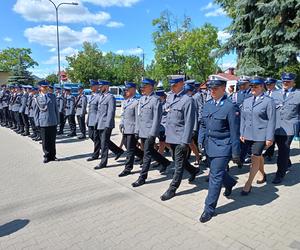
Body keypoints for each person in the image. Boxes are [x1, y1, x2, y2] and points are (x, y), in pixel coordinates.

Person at [198, 79, 241, 223]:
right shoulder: (208, 105)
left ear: (223, 89)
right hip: (210, 145)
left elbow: (235, 132)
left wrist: (236, 152)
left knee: (214, 176)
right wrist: (200, 141)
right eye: (211, 89)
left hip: (223, 146)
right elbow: (203, 125)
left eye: (215, 89)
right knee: (218, 172)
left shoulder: (230, 107)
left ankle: (208, 208)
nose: (212, 91)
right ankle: (229, 183)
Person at [160, 76, 199, 201]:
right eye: (171, 85)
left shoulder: (188, 100)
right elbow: (166, 113)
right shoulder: (170, 97)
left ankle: (173, 188)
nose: (172, 87)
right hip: (171, 136)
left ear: (181, 84)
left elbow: (189, 122)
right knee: (177, 159)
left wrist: (185, 141)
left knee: (178, 164)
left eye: (175, 85)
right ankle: (193, 170)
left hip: (181, 137)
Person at [132, 78, 171, 187]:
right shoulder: (143, 99)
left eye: (144, 86)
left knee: (147, 154)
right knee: (151, 152)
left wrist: (153, 134)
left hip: (150, 132)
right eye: (142, 86)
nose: (142, 88)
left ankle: (142, 177)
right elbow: (140, 117)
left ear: (151, 87)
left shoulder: (155, 100)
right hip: (142, 131)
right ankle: (165, 162)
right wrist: (137, 130)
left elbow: (157, 119)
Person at [240, 77, 276, 195]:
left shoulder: (268, 101)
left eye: (256, 86)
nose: (253, 89)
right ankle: (263, 174)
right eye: (251, 87)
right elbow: (243, 118)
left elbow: (271, 120)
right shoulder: (247, 101)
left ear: (262, 87)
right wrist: (242, 132)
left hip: (261, 135)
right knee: (258, 155)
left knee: (254, 156)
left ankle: (248, 184)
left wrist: (269, 137)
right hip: (249, 134)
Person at [271, 72, 300, 184]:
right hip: (276, 126)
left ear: (293, 83)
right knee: (281, 148)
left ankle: (280, 174)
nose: (286, 83)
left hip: (289, 127)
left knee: (283, 150)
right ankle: (286, 163)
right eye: (284, 81)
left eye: (288, 81)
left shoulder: (298, 94)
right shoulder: (274, 94)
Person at [118, 82, 144, 177]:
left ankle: (128, 168)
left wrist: (137, 130)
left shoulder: (136, 102)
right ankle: (144, 156)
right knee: (129, 147)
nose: (126, 91)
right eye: (125, 90)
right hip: (126, 129)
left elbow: (138, 118)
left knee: (130, 149)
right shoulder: (126, 102)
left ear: (133, 90)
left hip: (132, 129)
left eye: (128, 89)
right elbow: (123, 115)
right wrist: (121, 123)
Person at [34, 80, 59, 163]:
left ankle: (53, 155)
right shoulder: (37, 98)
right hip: (43, 122)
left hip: (52, 121)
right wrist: (37, 123)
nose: (46, 88)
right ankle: (47, 155)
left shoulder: (52, 96)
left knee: (52, 140)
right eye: (44, 87)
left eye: (47, 87)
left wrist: (57, 120)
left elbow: (56, 109)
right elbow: (36, 112)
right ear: (40, 88)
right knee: (45, 141)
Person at [263, 77, 278, 161]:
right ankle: (268, 152)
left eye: (270, 84)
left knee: (273, 137)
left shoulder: (278, 93)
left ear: (274, 84)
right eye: (267, 84)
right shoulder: (264, 94)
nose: (268, 86)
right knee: (268, 136)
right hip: (266, 118)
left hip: (276, 118)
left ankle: (270, 153)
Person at [86, 80, 101, 161]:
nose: (91, 87)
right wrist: (87, 120)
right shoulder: (92, 95)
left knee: (96, 138)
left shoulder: (99, 96)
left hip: (96, 120)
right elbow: (90, 110)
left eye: (92, 86)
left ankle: (95, 155)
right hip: (90, 120)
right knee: (91, 136)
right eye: (90, 86)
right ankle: (117, 150)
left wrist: (97, 120)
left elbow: (99, 110)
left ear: (96, 86)